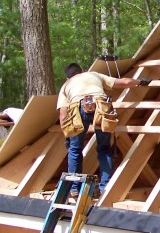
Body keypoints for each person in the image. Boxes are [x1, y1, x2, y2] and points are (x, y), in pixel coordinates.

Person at [57, 62, 148, 191]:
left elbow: (63, 115)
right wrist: (140, 81)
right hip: (101, 106)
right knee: (104, 148)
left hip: (77, 109)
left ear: (68, 77)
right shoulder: (94, 75)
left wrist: (67, 136)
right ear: (83, 71)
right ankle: (105, 186)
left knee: (75, 149)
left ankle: (74, 188)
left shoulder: (66, 86)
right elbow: (124, 83)